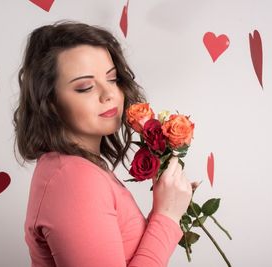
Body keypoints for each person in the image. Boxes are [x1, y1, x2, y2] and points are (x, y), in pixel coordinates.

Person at [12, 19, 199, 267]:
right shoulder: (74, 179)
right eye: (85, 87)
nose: (108, 94)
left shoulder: (74, 167)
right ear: (50, 102)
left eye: (112, 79)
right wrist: (167, 217)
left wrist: (167, 206)